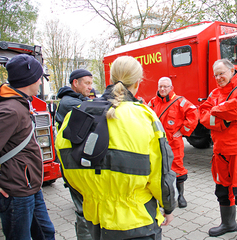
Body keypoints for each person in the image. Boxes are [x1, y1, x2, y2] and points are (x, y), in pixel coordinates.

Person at [55, 56, 176, 240]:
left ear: (110, 79)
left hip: (95, 219)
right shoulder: (146, 117)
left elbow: (67, 170)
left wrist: (93, 194)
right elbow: (161, 174)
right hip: (138, 221)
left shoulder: (75, 114)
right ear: (137, 82)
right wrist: (168, 207)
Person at [199, 59, 237, 240]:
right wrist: (224, 120)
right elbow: (203, 116)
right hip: (220, 151)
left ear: (232, 71)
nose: (219, 77)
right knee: (222, 191)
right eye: (216, 74)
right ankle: (228, 224)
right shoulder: (214, 93)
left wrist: (215, 111)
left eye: (222, 73)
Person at [0, 54, 55, 239]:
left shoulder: (20, 103)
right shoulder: (10, 110)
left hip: (30, 185)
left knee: (46, 232)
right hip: (16, 190)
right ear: (29, 79)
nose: (40, 82)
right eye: (39, 78)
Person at [148, 77, 199, 208]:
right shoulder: (153, 102)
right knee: (158, 169)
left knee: (177, 169)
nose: (163, 89)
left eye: (165, 86)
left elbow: (194, 114)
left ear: (171, 88)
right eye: (160, 86)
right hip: (158, 143)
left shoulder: (180, 102)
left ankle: (181, 196)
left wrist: (183, 130)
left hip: (174, 143)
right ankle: (164, 196)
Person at [55, 68, 93, 240]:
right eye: (87, 83)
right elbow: (94, 112)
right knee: (83, 209)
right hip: (73, 164)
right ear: (75, 83)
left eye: (91, 83)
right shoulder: (70, 103)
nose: (90, 87)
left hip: (76, 160)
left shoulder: (74, 98)